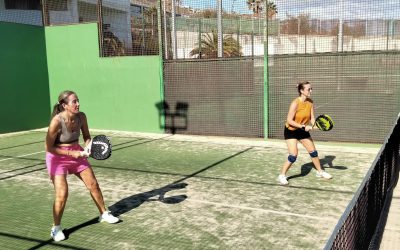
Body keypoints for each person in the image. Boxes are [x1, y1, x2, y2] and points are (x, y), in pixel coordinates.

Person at [45, 90, 119, 242]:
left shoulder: (81, 117)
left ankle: (104, 214)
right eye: (74, 102)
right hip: (57, 157)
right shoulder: (56, 121)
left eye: (78, 100)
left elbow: (86, 136)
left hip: (76, 152)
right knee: (62, 194)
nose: (78, 104)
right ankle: (56, 228)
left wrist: (88, 147)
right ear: (64, 105)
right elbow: (49, 147)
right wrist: (73, 154)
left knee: (93, 184)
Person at [278, 81, 332, 185]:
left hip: (302, 130)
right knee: (293, 155)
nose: (311, 90)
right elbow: (289, 120)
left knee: (313, 152)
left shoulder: (310, 102)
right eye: (309, 89)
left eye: (311, 88)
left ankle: (320, 172)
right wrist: (303, 126)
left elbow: (312, 118)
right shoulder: (295, 103)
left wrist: (316, 125)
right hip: (291, 131)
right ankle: (282, 175)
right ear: (302, 91)